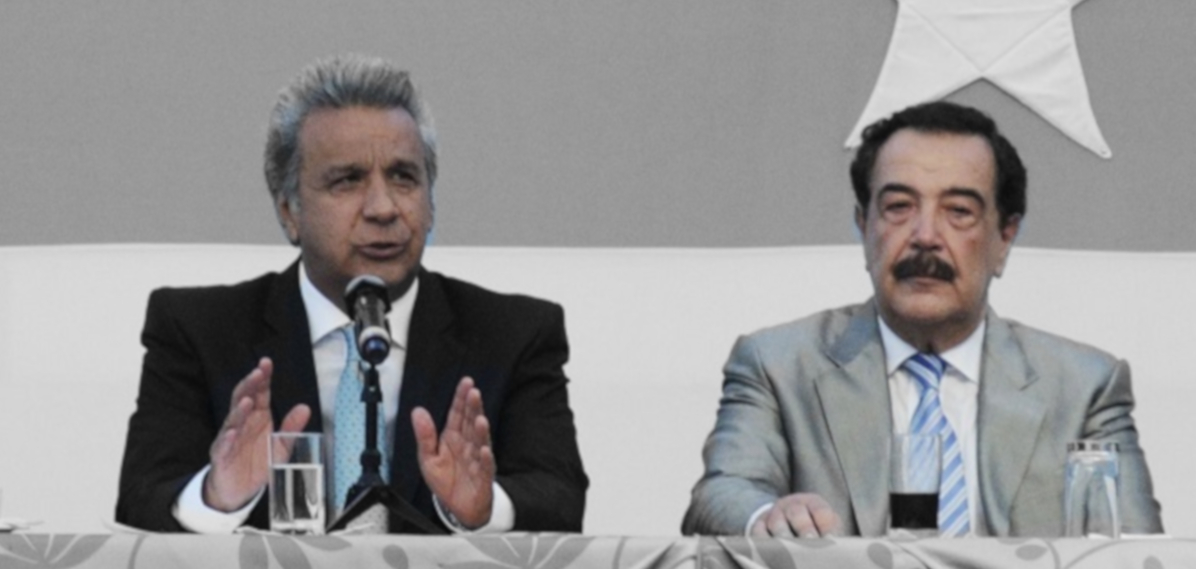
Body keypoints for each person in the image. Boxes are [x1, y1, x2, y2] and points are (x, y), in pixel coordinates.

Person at [116, 54, 587, 534]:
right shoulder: (199, 331)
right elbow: (139, 502)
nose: (383, 208)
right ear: (289, 211)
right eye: (347, 180)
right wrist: (219, 497)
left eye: (404, 177)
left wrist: (482, 511)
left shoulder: (513, 335)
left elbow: (560, 499)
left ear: (430, 201)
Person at [682, 101, 1162, 538]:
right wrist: (767, 516)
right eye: (899, 207)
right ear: (864, 226)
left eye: (959, 211)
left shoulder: (1084, 386)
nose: (925, 236)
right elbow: (721, 495)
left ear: (1004, 238)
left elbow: (1137, 549)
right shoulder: (778, 365)